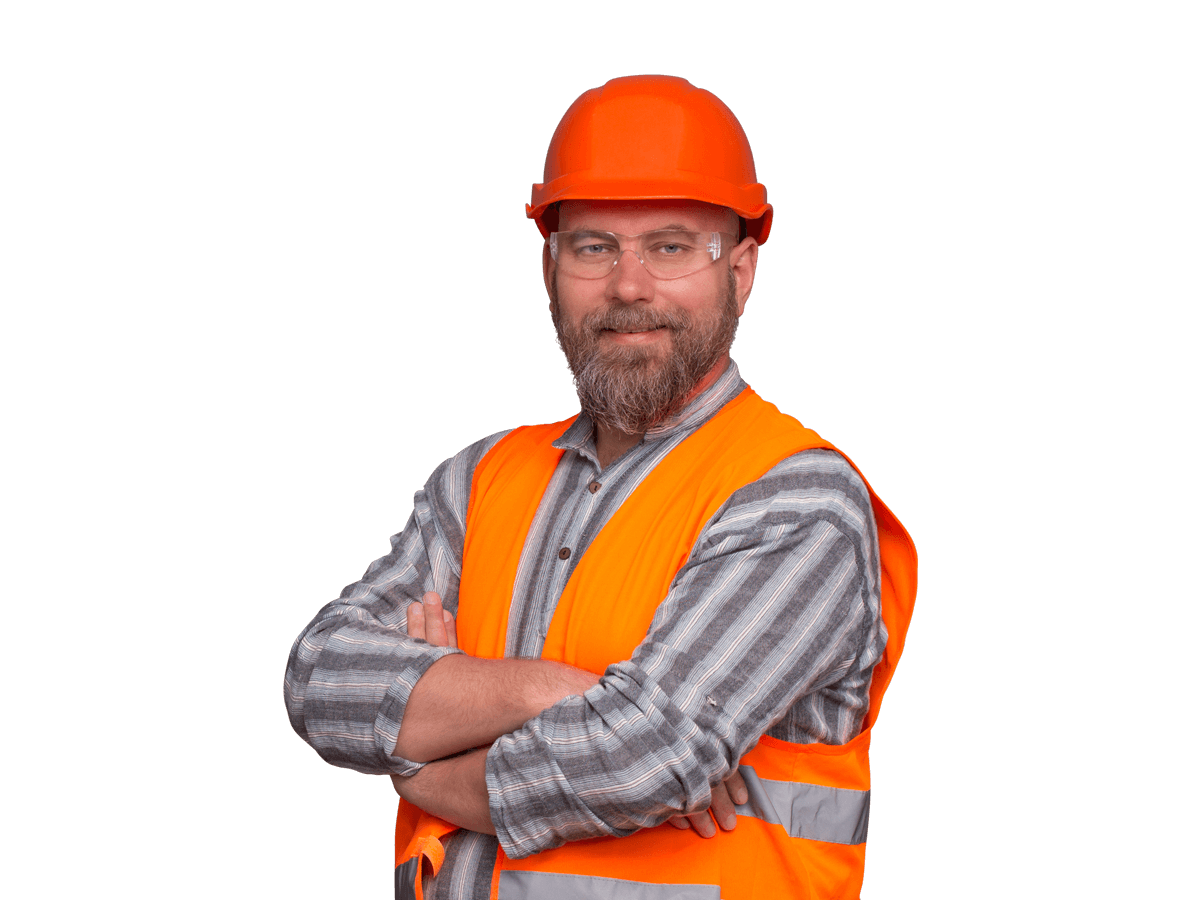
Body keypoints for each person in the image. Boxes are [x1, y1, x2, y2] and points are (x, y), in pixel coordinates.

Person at [284, 74, 917, 900]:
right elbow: (319, 677)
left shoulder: (795, 498)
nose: (628, 286)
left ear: (744, 270)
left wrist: (421, 760)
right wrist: (559, 689)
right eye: (593, 247)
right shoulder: (478, 479)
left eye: (672, 245)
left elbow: (642, 754)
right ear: (549, 268)